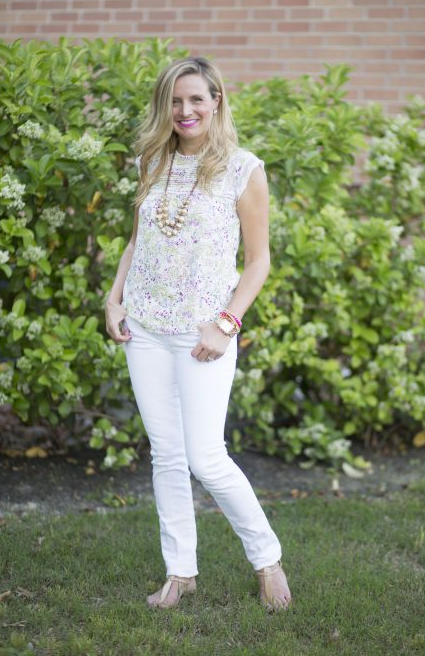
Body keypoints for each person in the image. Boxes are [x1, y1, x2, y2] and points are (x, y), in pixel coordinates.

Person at [104, 57, 292, 611]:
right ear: (166, 106)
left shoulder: (242, 169)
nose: (185, 111)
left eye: (196, 100)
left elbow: (257, 261)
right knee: (166, 454)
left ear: (216, 102)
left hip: (204, 333)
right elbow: (138, 243)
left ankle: (266, 559)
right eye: (176, 101)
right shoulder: (151, 161)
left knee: (206, 456)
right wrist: (113, 299)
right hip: (145, 327)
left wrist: (227, 323)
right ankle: (179, 573)